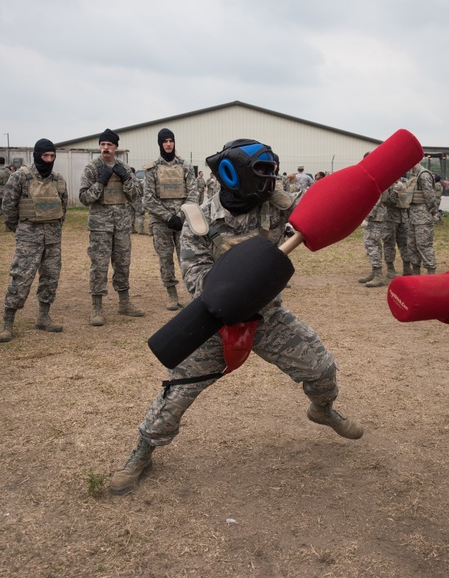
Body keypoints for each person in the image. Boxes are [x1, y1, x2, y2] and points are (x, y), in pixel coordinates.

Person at [107, 139, 363, 496]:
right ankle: (143, 451)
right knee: (176, 393)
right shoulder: (198, 222)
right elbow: (198, 282)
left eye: (272, 171)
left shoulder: (280, 207)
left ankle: (323, 409)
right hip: (216, 319)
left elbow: (325, 210)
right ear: (233, 173)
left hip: (268, 317)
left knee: (322, 369)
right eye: (262, 172)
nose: (270, 179)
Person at [0, 139, 68, 342]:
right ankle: (7, 322)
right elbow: (8, 208)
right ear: (37, 156)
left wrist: (54, 228)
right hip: (29, 238)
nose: (49, 160)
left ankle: (43, 316)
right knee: (21, 278)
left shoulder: (58, 179)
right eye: (45, 156)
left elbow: (63, 207)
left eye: (52, 156)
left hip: (53, 238)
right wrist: (20, 229)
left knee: (50, 278)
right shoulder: (19, 177)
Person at [79, 129, 145, 325]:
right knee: (99, 266)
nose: (105, 148)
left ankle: (124, 303)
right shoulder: (92, 168)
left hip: (122, 225)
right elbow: (84, 198)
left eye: (109, 145)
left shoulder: (123, 167)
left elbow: (135, 195)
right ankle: (97, 307)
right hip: (100, 226)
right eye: (102, 144)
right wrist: (100, 182)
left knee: (123, 263)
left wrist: (126, 179)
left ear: (116, 147)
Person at [143, 128, 198, 311]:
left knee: (188, 257)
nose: (168, 144)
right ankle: (172, 296)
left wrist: (181, 216)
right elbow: (148, 199)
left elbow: (193, 194)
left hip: (182, 222)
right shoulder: (152, 169)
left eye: (171, 141)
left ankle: (193, 293)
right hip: (161, 223)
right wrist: (168, 217)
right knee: (165, 259)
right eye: (165, 141)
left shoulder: (185, 166)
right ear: (160, 143)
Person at [357, 160, 400, 287]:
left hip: (376, 217)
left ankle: (377, 275)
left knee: (372, 244)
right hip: (376, 216)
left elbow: (377, 198)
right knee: (371, 244)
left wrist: (368, 216)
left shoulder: (378, 178)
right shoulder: (379, 176)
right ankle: (374, 271)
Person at [407, 161, 439, 274]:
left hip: (423, 217)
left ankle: (431, 272)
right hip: (412, 217)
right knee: (412, 246)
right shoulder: (414, 174)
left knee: (424, 245)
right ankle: (416, 272)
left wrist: (434, 211)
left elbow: (429, 195)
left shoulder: (423, 175)